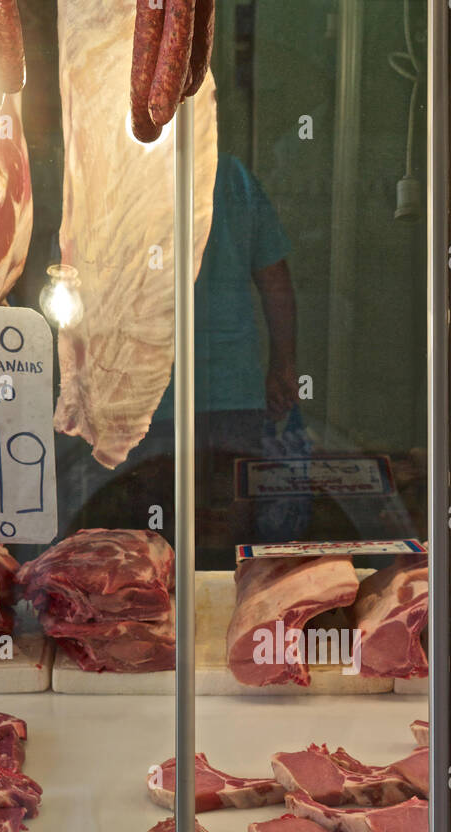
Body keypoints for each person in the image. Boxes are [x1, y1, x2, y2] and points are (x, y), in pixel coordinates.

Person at [75, 153, 298, 566]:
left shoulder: (126, 173)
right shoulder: (232, 177)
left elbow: (92, 280)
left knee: (156, 541)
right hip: (222, 393)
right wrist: (284, 365)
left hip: (153, 395)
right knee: (225, 537)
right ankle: (219, 619)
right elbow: (275, 279)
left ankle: (169, 622)